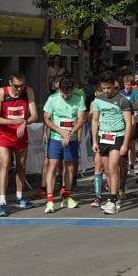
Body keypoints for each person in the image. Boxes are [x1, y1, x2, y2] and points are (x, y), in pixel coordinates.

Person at [0, 72, 38, 217]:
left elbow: (35, 115)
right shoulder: (1, 92)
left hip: (21, 135)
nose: (19, 89)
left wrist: (25, 122)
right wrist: (12, 122)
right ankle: (2, 202)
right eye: (16, 86)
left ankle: (19, 197)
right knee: (5, 164)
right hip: (4, 135)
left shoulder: (28, 91)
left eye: (22, 85)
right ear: (10, 83)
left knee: (21, 165)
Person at [42, 75, 86, 213]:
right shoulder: (52, 99)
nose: (66, 96)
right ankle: (50, 201)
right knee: (52, 166)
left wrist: (72, 132)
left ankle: (67, 195)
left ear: (73, 90)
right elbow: (47, 119)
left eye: (68, 93)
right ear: (59, 89)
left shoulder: (79, 99)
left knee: (70, 168)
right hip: (55, 138)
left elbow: (81, 119)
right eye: (63, 93)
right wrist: (61, 131)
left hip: (71, 139)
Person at [91, 71, 133, 215]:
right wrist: (94, 141)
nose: (106, 91)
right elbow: (95, 121)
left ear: (114, 86)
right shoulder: (98, 100)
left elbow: (129, 123)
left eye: (109, 88)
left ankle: (114, 200)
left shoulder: (123, 100)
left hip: (118, 136)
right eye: (104, 88)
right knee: (107, 169)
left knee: (113, 166)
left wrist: (125, 144)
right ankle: (112, 196)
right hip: (103, 136)